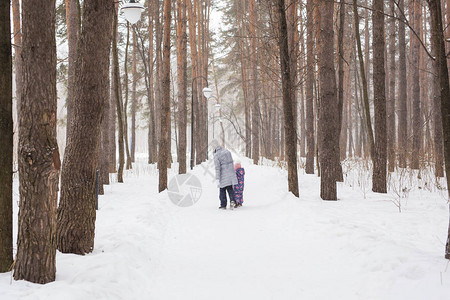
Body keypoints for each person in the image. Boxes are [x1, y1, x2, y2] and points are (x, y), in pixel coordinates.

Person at [213, 141, 238, 210]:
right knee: (230, 189)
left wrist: (217, 179)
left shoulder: (216, 155)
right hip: (231, 172)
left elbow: (217, 168)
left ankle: (223, 205)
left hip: (223, 174)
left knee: (222, 189)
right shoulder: (227, 151)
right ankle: (232, 201)